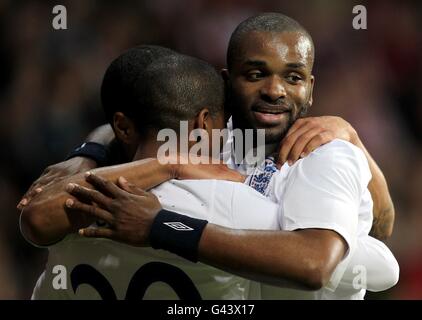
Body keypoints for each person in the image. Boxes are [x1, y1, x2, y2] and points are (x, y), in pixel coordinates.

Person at [20, 13, 398, 299]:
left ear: (311, 88)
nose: (275, 90)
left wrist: (355, 144)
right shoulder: (214, 150)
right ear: (226, 82)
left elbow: (371, 236)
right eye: (255, 74)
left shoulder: (326, 154)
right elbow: (379, 264)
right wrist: (91, 154)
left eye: (293, 77)